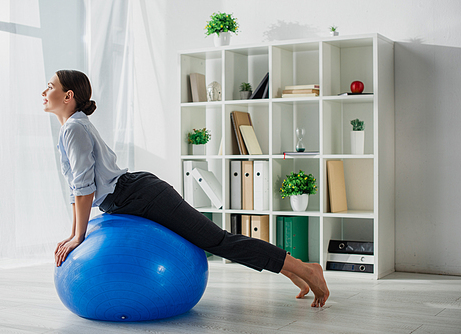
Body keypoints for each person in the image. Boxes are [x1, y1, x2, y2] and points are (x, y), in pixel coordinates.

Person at [43, 70, 329, 308]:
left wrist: (78, 235)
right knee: (217, 240)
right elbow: (77, 188)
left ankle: (304, 269)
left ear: (68, 96)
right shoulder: (72, 127)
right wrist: (73, 234)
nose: (44, 92)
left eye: (50, 86)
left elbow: (83, 187)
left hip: (139, 195)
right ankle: (294, 268)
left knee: (217, 241)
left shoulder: (73, 128)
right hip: (130, 196)